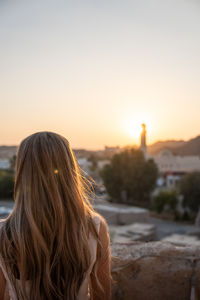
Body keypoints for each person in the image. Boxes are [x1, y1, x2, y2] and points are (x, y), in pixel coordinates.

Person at [0, 132, 111, 300]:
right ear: (70, 171)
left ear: (23, 172)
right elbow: (102, 294)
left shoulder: (3, 234)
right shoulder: (94, 226)